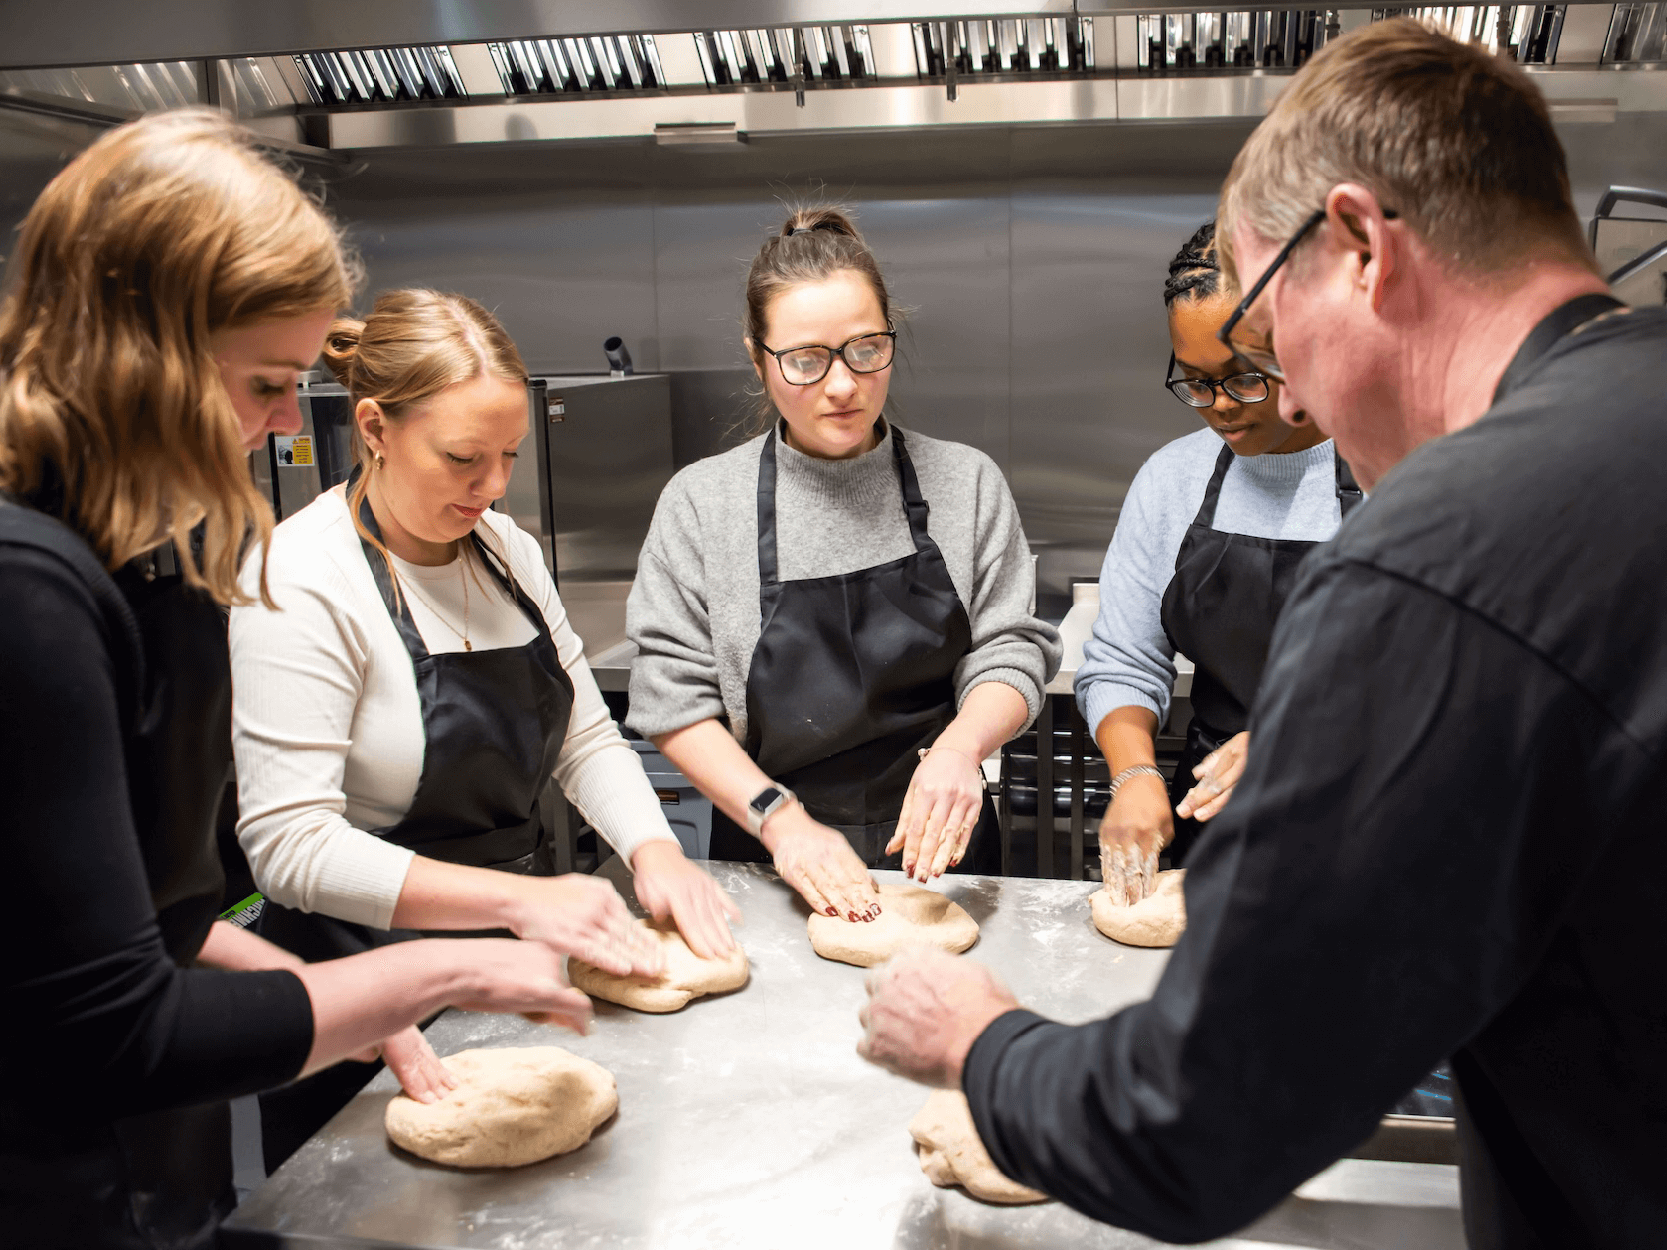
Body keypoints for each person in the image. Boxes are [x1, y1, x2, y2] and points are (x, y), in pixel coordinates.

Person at [857, 21, 1667, 1249]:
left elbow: (1191, 1124)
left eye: (1272, 326)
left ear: (1355, 246)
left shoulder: (1442, 556)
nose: (1284, 395)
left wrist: (977, 1034)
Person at [0, 110, 597, 1250]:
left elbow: (144, 920)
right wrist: (425, 970)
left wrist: (346, 1004)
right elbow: (110, 1018)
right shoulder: (29, 591)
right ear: (140, 357)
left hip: (138, 1144)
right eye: (267, 378)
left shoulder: (155, 558)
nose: (286, 418)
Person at [229, 288, 734, 1164]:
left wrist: (654, 851)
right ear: (375, 429)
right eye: (464, 456)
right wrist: (522, 898)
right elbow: (290, 846)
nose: (493, 486)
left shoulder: (508, 552)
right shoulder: (298, 577)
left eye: (508, 454)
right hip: (360, 995)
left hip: (513, 973)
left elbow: (581, 734)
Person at [627, 207, 1060, 923]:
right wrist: (780, 820)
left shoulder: (964, 482)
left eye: (866, 349)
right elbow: (671, 697)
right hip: (769, 856)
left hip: (941, 853)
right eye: (805, 359)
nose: (841, 385)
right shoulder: (703, 504)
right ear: (755, 356)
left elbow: (1010, 647)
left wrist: (961, 749)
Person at [1076, 220, 1360, 900]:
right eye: (1196, 383)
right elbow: (1121, 659)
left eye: (1243, 380)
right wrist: (1135, 775)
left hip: (1368, 812)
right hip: (1215, 827)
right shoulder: (1171, 480)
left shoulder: (1397, 464)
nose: (1221, 410)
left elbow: (1451, 670)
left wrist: (1304, 733)